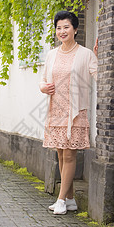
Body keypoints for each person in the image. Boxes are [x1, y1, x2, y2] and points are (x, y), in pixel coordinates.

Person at [39, 11, 98, 215]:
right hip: (56, 109)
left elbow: (98, 74)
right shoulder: (52, 54)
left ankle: (61, 199)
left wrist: (100, 57)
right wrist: (43, 88)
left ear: (75, 29)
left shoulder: (86, 54)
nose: (62, 31)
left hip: (75, 112)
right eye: (59, 28)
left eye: (66, 27)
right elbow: (43, 80)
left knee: (70, 154)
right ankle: (71, 199)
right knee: (61, 155)